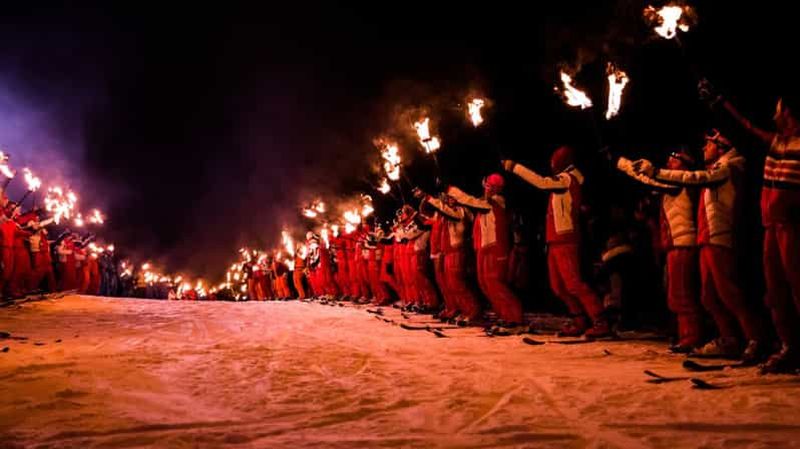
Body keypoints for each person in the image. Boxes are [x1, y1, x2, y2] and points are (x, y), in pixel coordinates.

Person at [632, 130, 767, 362]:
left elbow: (695, 178)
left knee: (730, 293)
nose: (704, 148)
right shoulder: (717, 168)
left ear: (722, 146)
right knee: (709, 297)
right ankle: (729, 339)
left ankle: (757, 339)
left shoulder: (730, 166)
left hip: (720, 236)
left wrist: (652, 171)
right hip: (707, 236)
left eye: (709, 143)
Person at [702, 82, 800, 372]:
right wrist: (719, 103)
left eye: (778, 110)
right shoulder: (776, 142)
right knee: (775, 291)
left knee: (797, 288)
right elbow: (743, 128)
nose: (773, 116)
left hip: (792, 226)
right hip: (771, 227)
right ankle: (789, 347)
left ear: (790, 114)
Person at [503, 146, 610, 337]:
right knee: (558, 286)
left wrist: (515, 167)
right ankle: (579, 319)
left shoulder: (566, 179)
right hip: (555, 240)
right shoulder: (563, 181)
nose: (551, 164)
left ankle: (600, 320)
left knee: (574, 283)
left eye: (554, 161)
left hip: (566, 238)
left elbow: (541, 182)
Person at [617, 149, 702, 351]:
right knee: (674, 293)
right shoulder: (673, 184)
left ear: (684, 163)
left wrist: (623, 163)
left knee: (682, 293)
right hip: (674, 243)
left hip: (683, 242)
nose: (668, 161)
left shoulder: (680, 181)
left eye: (674, 159)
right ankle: (683, 333)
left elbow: (652, 181)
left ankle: (692, 336)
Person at [447, 173, 525, 332]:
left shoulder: (498, 201)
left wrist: (454, 191)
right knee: (485, 284)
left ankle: (515, 318)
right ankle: (504, 315)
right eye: (487, 186)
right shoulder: (484, 202)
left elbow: (474, 203)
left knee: (496, 283)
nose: (488, 190)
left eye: (491, 187)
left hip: (496, 246)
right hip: (483, 247)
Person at [416, 189, 482, 323]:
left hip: (457, 250)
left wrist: (428, 197)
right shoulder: (443, 214)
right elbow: (426, 215)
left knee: (457, 283)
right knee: (450, 284)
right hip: (446, 251)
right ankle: (459, 309)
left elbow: (450, 213)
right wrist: (424, 200)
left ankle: (473, 310)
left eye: (451, 198)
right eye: (447, 198)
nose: (448, 200)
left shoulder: (461, 210)